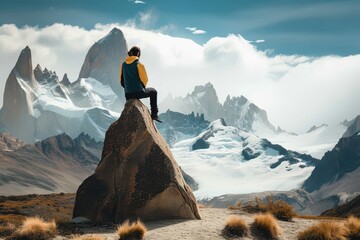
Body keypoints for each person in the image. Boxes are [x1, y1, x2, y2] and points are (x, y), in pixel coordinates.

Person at [120, 46, 162, 123]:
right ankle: (154, 114)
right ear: (138, 54)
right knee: (154, 92)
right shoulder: (139, 64)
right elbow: (145, 79)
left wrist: (128, 89)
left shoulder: (123, 65)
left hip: (128, 95)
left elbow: (121, 81)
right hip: (138, 92)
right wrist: (140, 87)